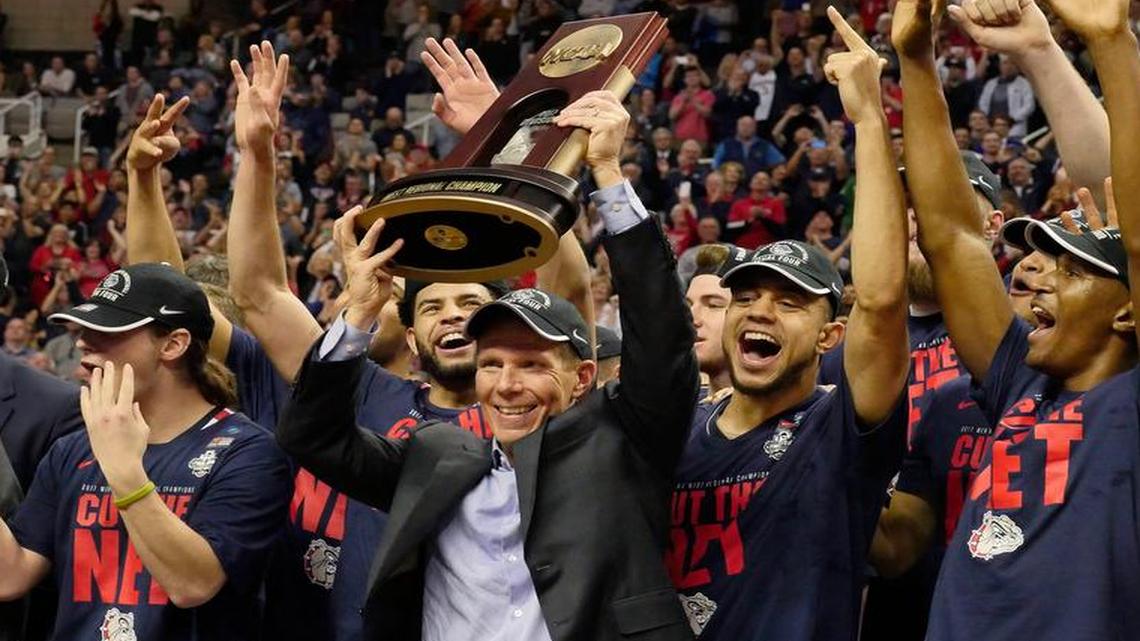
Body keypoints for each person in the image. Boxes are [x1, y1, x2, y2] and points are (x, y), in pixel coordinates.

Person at [277, 88, 699, 641]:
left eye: (531, 364)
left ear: (582, 378)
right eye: (492, 363)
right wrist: (357, 313)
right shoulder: (435, 457)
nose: (506, 385)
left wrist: (608, 175)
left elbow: (663, 339)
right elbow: (311, 437)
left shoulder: (623, 443)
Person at [892, 0, 1140, 638]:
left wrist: (1111, 43)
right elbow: (951, 237)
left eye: (1075, 271)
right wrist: (915, 59)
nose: (1041, 278)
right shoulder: (1018, 381)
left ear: (1128, 311)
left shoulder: (1129, 402)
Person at [666, 11, 910, 639]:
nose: (760, 311)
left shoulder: (840, 426)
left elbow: (881, 299)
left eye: (790, 302)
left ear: (831, 336)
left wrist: (868, 119)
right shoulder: (677, 426)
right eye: (746, 296)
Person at [0, 263, 292, 640]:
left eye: (107, 330)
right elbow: (11, 575)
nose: (83, 342)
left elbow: (193, 584)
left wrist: (125, 473)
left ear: (173, 344)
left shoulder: (248, 452)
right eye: (85, 329)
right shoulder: (72, 448)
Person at [683, 244, 733, 400]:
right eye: (689, 305)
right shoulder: (673, 405)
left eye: (713, 305)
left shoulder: (790, 410)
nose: (692, 318)